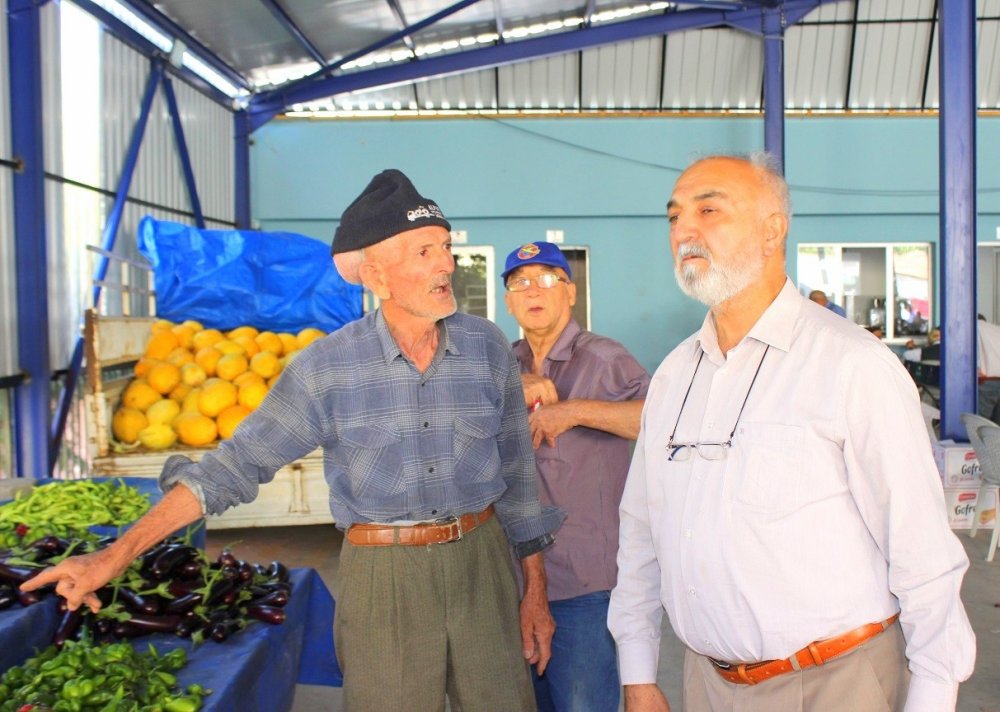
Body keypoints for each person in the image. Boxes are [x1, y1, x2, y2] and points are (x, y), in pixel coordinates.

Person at [24, 169, 564, 711]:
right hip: (385, 580)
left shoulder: (487, 346)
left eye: (444, 246)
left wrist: (533, 592)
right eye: (424, 251)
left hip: (485, 562)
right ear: (375, 274)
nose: (446, 263)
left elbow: (517, 477)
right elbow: (232, 466)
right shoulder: (325, 368)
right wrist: (112, 557)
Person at [608, 153, 975, 712]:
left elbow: (921, 550)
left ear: (772, 229)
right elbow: (641, 531)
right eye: (675, 216)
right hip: (706, 683)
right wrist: (637, 670)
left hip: (833, 683)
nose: (685, 230)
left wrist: (932, 697)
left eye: (709, 209)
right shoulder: (675, 376)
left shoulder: (852, 364)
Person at [501, 242, 650, 712]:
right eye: (520, 283)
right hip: (515, 579)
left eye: (547, 279)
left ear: (570, 292)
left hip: (587, 582)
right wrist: (510, 385)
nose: (533, 291)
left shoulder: (604, 358)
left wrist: (576, 411)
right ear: (508, 300)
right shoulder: (501, 364)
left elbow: (660, 421)